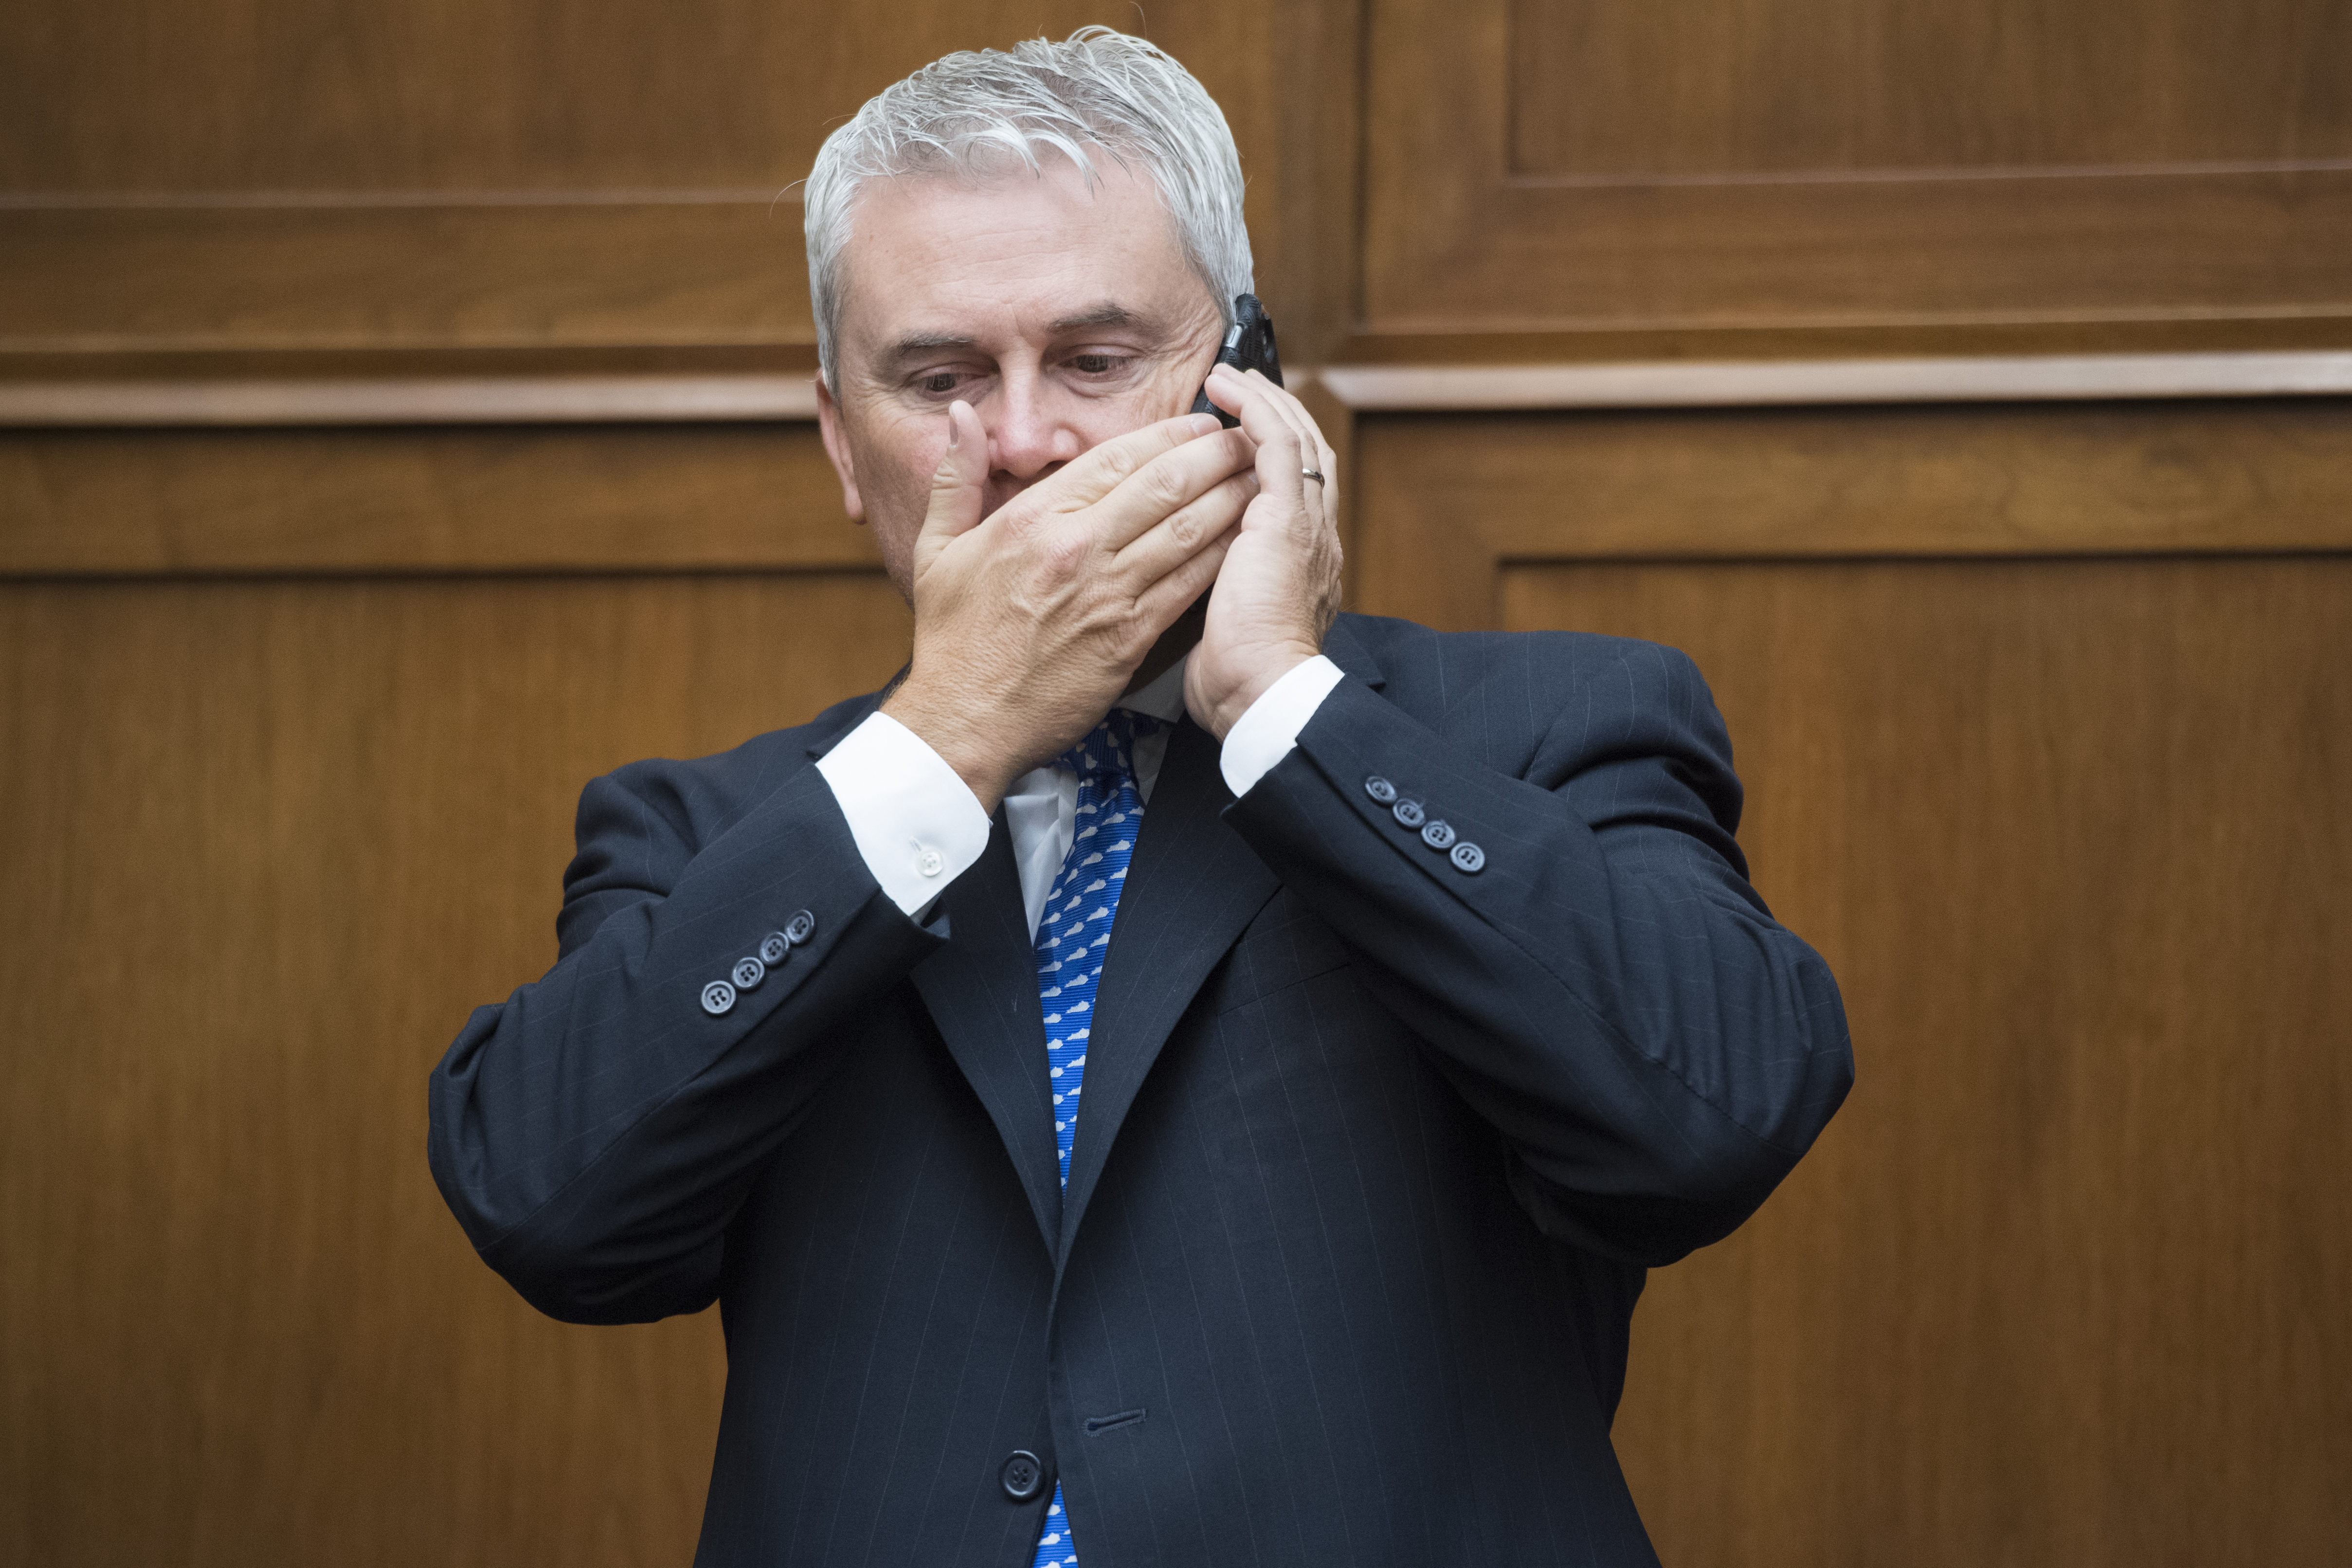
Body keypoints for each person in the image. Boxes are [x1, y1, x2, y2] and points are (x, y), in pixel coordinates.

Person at [428, 28, 1852, 1568]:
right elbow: (554, 1213)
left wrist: (1276, 710)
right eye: (940, 377)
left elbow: (1707, 1122)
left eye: (1098, 361)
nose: (1029, 438)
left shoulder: (1538, 732)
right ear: (845, 445)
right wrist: (953, 734)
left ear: (1245, 384)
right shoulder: (716, 832)